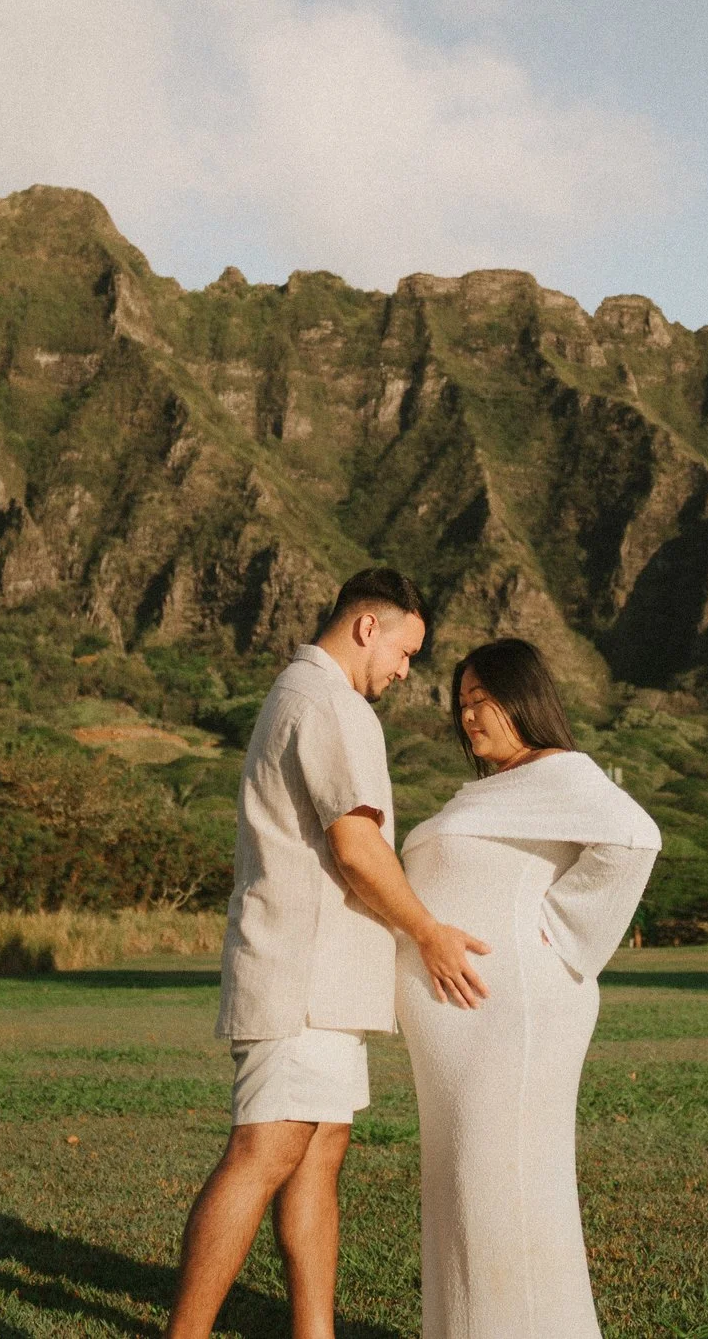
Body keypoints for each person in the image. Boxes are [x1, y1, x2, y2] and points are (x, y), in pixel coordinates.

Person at [167, 568, 494, 1339]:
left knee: (318, 1154)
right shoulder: (327, 702)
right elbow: (356, 845)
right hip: (298, 979)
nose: (406, 672)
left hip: (327, 984)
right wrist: (428, 931)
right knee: (263, 1149)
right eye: (406, 653)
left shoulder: (313, 697)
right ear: (367, 627)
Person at [397, 637, 661, 1339]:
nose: (469, 717)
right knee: (462, 1188)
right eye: (462, 705)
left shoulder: (561, 772)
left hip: (509, 1015)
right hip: (462, 1025)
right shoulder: (494, 787)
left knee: (499, 1189)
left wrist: (561, 936)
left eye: (483, 700)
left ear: (525, 700)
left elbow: (634, 836)